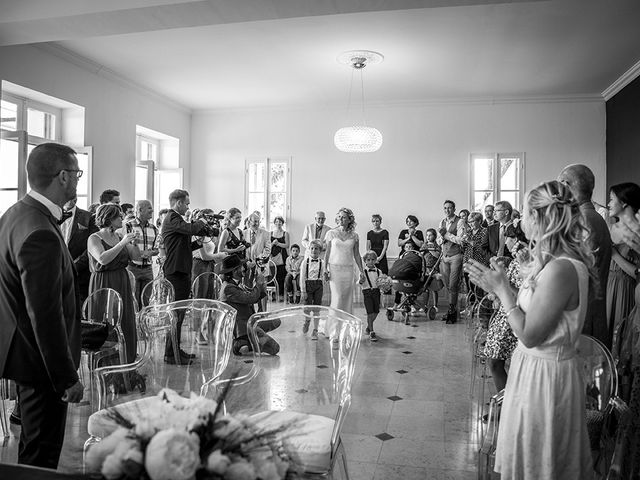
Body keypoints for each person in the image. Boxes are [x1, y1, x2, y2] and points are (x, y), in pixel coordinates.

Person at [465, 180, 594, 480]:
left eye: (523, 212)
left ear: (538, 218)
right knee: (528, 459)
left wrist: (502, 290)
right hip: (532, 367)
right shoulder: (551, 263)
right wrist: (502, 287)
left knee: (543, 462)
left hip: (547, 375)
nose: (520, 220)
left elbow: (530, 334)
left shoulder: (563, 268)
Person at [0, 142, 83, 468]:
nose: (78, 180)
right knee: (40, 455)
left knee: (33, 448)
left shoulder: (14, 213)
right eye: (76, 173)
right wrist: (66, 378)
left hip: (20, 354)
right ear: (62, 176)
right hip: (40, 365)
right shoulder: (40, 232)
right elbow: (44, 315)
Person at [558, 164, 612, 347]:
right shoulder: (590, 217)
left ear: (566, 185)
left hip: (584, 317)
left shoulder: (584, 221)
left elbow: (576, 273)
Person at [88, 203, 141, 363]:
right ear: (109, 219)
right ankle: (106, 366)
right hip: (103, 283)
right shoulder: (94, 238)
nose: (122, 218)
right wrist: (123, 243)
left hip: (121, 281)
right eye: (119, 216)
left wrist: (133, 242)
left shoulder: (120, 236)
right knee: (106, 322)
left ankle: (126, 362)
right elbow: (102, 259)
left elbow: (136, 257)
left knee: (124, 320)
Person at [161, 189, 209, 364]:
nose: (188, 207)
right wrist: (202, 220)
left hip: (181, 270)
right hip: (175, 272)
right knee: (176, 315)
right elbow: (191, 228)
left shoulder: (176, 219)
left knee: (179, 315)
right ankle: (170, 353)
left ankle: (174, 350)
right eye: (187, 203)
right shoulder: (172, 217)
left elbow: (184, 246)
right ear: (178, 202)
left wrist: (200, 241)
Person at [219, 255, 279, 356]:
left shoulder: (235, 283)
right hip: (242, 326)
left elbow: (252, 296)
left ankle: (254, 337)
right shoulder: (228, 288)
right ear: (234, 271)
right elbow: (250, 298)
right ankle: (240, 343)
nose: (244, 269)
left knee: (276, 321)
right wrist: (258, 284)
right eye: (242, 266)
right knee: (275, 349)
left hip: (249, 320)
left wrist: (261, 284)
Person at [606, 182, 640, 337]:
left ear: (624, 202)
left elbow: (637, 274)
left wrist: (614, 255)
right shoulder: (612, 227)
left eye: (612, 199)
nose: (608, 204)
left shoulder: (637, 231)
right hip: (608, 287)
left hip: (627, 290)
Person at [60, 195, 98, 311]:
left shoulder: (89, 217)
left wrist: (74, 267)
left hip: (80, 274)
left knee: (80, 313)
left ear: (75, 199)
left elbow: (90, 247)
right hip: (57, 274)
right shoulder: (52, 215)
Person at [325, 207, 364, 315]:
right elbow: (327, 253)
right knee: (337, 297)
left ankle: (346, 326)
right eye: (339, 217)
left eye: (344, 217)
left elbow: (356, 254)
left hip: (348, 270)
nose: (341, 219)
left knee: (347, 298)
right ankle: (334, 327)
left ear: (349, 219)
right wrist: (325, 269)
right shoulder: (331, 233)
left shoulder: (354, 236)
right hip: (334, 270)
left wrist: (361, 271)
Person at [124, 200, 159, 308]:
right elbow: (124, 247)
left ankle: (143, 324)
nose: (152, 210)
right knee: (132, 300)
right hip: (132, 268)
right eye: (149, 208)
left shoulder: (154, 229)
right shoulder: (128, 226)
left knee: (147, 301)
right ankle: (133, 324)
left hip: (148, 269)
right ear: (140, 210)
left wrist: (150, 252)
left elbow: (157, 249)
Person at [438, 200, 465, 323]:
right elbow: (439, 240)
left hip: (456, 256)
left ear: (454, 209)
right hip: (445, 256)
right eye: (445, 208)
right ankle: (453, 311)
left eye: (449, 208)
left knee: (453, 284)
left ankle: (452, 312)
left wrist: (447, 235)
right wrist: (441, 239)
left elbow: (461, 240)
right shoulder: (442, 222)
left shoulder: (460, 221)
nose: (447, 210)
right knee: (448, 285)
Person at [394, 215, 424, 307]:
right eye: (407, 221)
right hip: (403, 258)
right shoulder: (403, 232)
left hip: (414, 260)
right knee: (399, 279)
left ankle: (412, 304)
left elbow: (420, 244)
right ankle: (397, 302)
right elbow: (400, 243)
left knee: (413, 280)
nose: (409, 223)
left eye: (411, 221)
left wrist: (412, 236)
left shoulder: (419, 232)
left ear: (415, 223)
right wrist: (408, 238)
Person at [299, 240, 325, 340]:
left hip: (318, 285)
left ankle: (315, 330)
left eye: (316, 248)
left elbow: (323, 275)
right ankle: (307, 321)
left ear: (320, 251)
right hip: (308, 285)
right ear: (309, 250)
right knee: (307, 307)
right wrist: (303, 290)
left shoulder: (322, 262)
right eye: (312, 248)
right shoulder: (305, 262)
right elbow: (302, 277)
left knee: (317, 309)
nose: (314, 250)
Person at [360, 251, 382, 341]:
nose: (370, 262)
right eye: (368, 260)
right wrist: (361, 280)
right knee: (370, 313)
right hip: (367, 292)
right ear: (365, 261)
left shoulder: (379, 271)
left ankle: (369, 327)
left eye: (373, 260)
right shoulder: (363, 272)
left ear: (376, 260)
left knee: (376, 311)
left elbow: (381, 281)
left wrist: (384, 284)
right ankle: (372, 332)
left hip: (377, 292)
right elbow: (359, 282)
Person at [270, 215, 289, 299]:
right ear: (274, 223)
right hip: (272, 257)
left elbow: (287, 245)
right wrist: (273, 244)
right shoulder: (270, 233)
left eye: (280, 222)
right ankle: (273, 294)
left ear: (282, 223)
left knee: (281, 276)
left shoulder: (286, 233)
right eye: (277, 222)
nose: (278, 223)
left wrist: (278, 244)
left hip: (282, 256)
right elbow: (267, 246)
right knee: (272, 275)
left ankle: (281, 294)